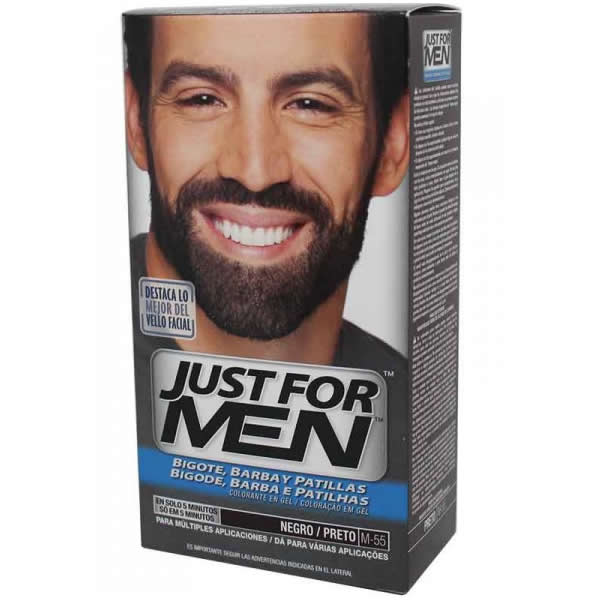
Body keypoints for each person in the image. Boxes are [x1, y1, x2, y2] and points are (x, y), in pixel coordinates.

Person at [124, 11, 409, 370]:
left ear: (392, 147)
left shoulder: (400, 393)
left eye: (311, 105)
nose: (255, 174)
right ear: (136, 123)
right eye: (201, 99)